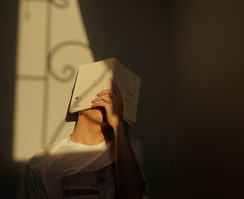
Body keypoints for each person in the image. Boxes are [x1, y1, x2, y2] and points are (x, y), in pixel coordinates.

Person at [18, 82, 149, 199]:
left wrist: (118, 123)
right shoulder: (41, 164)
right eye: (97, 87)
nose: (106, 95)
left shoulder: (128, 149)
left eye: (114, 93)